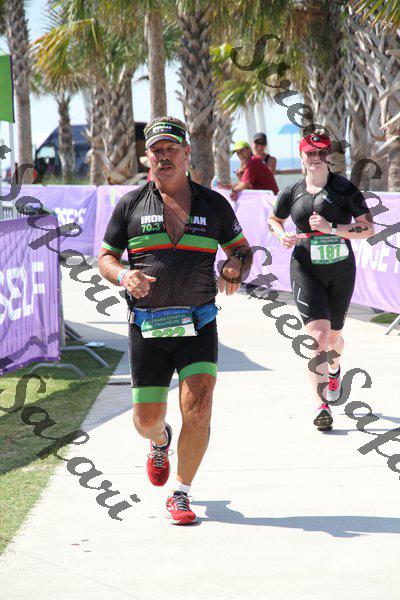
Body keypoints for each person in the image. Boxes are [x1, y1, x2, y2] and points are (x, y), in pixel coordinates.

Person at [98, 116, 251, 524]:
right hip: (147, 325)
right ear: (147, 157)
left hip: (198, 321)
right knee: (145, 420)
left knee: (199, 405)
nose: (163, 157)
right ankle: (160, 440)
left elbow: (241, 249)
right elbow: (106, 257)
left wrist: (234, 267)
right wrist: (123, 275)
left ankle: (181, 492)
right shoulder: (130, 204)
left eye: (171, 149)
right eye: (156, 151)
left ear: (186, 153)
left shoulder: (214, 205)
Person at [267, 132, 374, 431]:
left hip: (340, 271)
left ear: (328, 156)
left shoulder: (344, 189)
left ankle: (335, 368)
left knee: (334, 338)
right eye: (310, 154)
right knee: (318, 337)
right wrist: (281, 235)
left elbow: (368, 228)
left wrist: (332, 228)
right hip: (306, 269)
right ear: (301, 157)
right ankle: (321, 405)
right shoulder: (292, 192)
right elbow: (274, 220)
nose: (315, 159)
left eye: (321, 153)